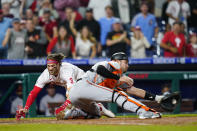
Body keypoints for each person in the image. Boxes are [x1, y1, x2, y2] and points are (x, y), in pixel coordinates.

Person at [16, 53, 114, 120]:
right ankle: (96, 109)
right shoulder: (45, 74)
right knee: (64, 115)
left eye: (53, 66)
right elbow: (34, 92)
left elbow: (72, 91)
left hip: (83, 80)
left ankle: (96, 109)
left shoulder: (66, 70)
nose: (50, 68)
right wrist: (26, 108)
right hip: (70, 86)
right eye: (48, 66)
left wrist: (63, 107)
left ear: (58, 65)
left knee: (70, 104)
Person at [68, 52, 162, 119]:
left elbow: (135, 91)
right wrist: (118, 78)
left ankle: (74, 113)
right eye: (126, 62)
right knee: (119, 95)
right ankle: (143, 112)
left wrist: (157, 98)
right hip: (83, 85)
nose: (128, 65)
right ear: (118, 61)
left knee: (96, 114)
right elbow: (100, 69)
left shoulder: (119, 77)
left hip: (77, 97)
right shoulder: (113, 65)